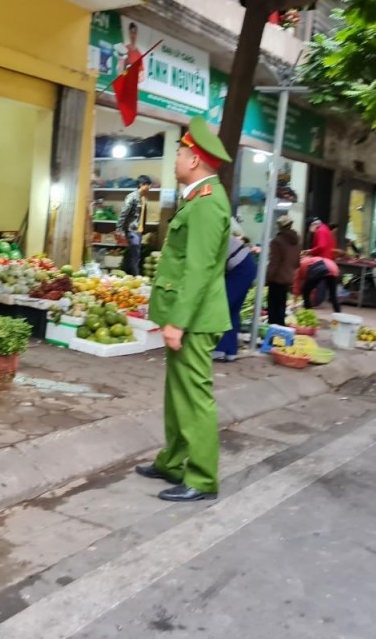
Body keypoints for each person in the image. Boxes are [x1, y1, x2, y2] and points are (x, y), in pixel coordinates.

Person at [134, 116, 231, 503]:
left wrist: (177, 321)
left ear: (194, 160)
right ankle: (173, 462)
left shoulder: (207, 204)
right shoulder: (200, 199)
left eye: (178, 152)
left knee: (194, 397)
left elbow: (199, 269)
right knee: (177, 396)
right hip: (189, 317)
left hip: (194, 318)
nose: (174, 159)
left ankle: (203, 478)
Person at [214, 233, 257, 363]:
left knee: (222, 308)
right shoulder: (217, 232)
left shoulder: (209, 236)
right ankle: (231, 352)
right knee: (232, 310)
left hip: (239, 270)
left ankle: (219, 350)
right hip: (246, 267)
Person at [266, 215, 302, 327]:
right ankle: (281, 332)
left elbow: (274, 263)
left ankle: (272, 333)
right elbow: (297, 263)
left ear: (280, 226)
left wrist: (267, 278)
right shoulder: (296, 242)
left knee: (273, 309)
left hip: (276, 278)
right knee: (281, 307)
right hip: (288, 278)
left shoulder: (277, 242)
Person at [118, 175, 152, 276]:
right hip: (131, 229)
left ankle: (124, 273)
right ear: (141, 185)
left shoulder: (144, 198)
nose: (149, 188)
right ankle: (136, 275)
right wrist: (119, 228)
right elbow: (124, 213)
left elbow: (143, 214)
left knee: (132, 252)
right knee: (135, 253)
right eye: (148, 185)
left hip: (139, 230)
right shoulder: (132, 197)